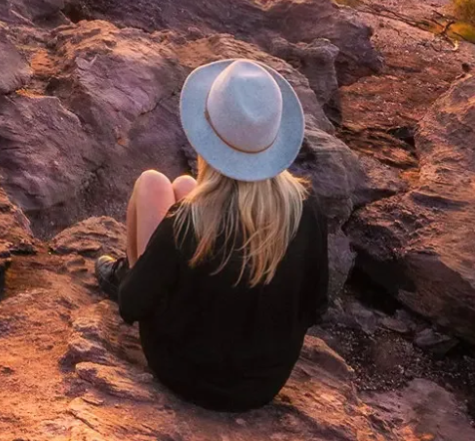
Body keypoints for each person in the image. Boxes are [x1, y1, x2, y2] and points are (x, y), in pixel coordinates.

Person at [92, 57, 329, 413]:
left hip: (186, 374)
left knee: (152, 184)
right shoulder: (305, 209)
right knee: (186, 185)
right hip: (263, 384)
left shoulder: (186, 224)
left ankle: (129, 271)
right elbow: (314, 306)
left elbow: (131, 307)